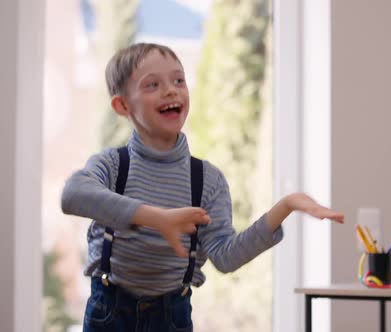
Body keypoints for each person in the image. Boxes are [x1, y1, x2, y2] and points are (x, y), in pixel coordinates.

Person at [61, 42, 344, 332]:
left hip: (172, 317)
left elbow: (225, 256)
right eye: (152, 84)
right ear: (122, 106)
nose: (171, 90)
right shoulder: (112, 166)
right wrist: (157, 218)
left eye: (178, 80)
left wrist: (285, 206)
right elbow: (72, 195)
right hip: (109, 312)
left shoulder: (208, 180)